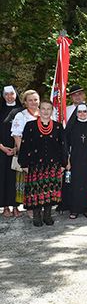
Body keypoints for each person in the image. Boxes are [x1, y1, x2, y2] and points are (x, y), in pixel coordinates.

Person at [18, 99, 67, 226]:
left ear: (52, 111)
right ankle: (37, 216)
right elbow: (25, 145)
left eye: (48, 109)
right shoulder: (30, 126)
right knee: (36, 191)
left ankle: (47, 215)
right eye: (43, 108)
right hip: (35, 165)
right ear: (39, 110)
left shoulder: (58, 126)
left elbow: (63, 146)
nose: (46, 111)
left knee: (50, 191)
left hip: (53, 165)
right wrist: (23, 164)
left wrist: (63, 163)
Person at [63, 104, 87, 219]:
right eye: (80, 112)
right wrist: (67, 160)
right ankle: (74, 209)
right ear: (76, 113)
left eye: (85, 111)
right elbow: (65, 145)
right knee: (75, 183)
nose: (82, 114)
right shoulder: (71, 126)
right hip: (74, 159)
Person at [11, 89, 40, 218]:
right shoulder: (21, 116)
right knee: (28, 181)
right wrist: (25, 154)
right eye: (30, 100)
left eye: (36, 99)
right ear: (25, 102)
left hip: (43, 154)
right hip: (28, 153)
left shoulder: (45, 112)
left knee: (41, 180)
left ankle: (40, 205)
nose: (33, 102)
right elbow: (17, 136)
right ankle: (30, 207)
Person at [0, 86, 22, 217]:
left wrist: (16, 148)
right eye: (6, 94)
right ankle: (5, 207)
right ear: (3, 96)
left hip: (18, 150)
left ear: (16, 94)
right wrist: (2, 147)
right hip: (1, 150)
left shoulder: (21, 111)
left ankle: (16, 206)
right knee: (3, 178)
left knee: (16, 179)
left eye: (11, 94)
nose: (9, 96)